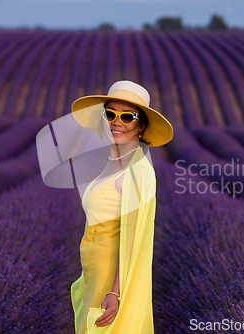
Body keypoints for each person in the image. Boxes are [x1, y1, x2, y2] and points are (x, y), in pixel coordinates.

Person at [69, 80, 174, 334]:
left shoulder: (137, 172)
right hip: (93, 269)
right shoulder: (112, 161)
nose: (117, 121)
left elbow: (132, 238)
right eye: (110, 114)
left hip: (110, 276)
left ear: (141, 126)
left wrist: (116, 292)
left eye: (127, 116)